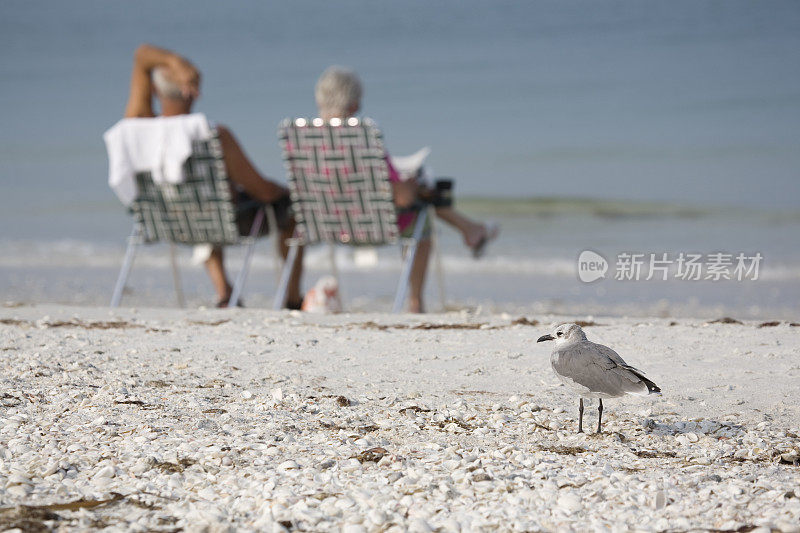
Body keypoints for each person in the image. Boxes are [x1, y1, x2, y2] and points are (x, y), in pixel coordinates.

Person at [121, 44, 303, 308]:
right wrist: (285, 192)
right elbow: (262, 190)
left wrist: (173, 62)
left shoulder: (138, 129)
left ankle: (224, 292)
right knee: (286, 210)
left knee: (204, 198)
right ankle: (292, 298)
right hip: (216, 220)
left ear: (154, 90)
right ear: (191, 92)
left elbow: (141, 56)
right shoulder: (213, 137)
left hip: (165, 219)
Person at [314, 66, 499, 313]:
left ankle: (471, 229)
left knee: (418, 193)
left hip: (330, 222)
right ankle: (415, 302)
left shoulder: (310, 140)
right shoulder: (361, 137)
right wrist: (411, 185)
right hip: (374, 223)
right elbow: (401, 198)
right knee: (421, 209)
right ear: (355, 104)